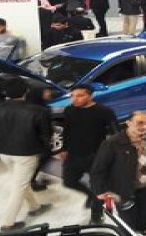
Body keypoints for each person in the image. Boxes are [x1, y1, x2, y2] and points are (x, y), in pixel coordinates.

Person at [0, 81, 52, 232]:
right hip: (27, 154)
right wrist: (46, 153)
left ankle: (35, 207)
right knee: (19, 187)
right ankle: (8, 224)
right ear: (26, 92)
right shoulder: (39, 111)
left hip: (3, 152)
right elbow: (46, 135)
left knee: (21, 183)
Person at [91, 111, 146, 234]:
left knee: (145, 219)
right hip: (123, 191)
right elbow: (99, 169)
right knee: (128, 225)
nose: (144, 127)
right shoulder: (112, 143)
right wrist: (99, 191)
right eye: (140, 123)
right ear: (128, 123)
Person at [61, 85, 118, 225]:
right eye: (73, 96)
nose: (75, 99)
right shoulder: (69, 110)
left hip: (96, 155)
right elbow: (67, 130)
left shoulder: (104, 111)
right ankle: (91, 195)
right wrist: (64, 149)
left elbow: (115, 133)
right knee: (69, 181)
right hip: (74, 154)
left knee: (98, 187)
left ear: (91, 96)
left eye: (80, 95)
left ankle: (96, 216)